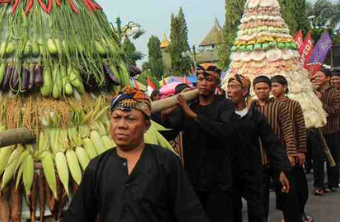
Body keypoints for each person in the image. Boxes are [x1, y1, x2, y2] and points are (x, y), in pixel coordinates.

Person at [64, 87, 208, 222]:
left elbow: (190, 212)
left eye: (130, 119)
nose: (121, 125)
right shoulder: (97, 166)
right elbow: (77, 215)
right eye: (116, 117)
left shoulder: (166, 161)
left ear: (146, 125)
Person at [161, 64, 234, 222]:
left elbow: (223, 131)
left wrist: (193, 115)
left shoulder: (225, 105)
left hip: (218, 179)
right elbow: (170, 133)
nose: (204, 83)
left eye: (209, 80)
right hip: (194, 178)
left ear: (216, 84)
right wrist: (165, 115)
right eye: (200, 79)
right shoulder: (189, 106)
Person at [227, 74, 290, 222]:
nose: (229, 91)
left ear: (244, 91)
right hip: (228, 172)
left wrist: (282, 169)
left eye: (233, 87)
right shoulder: (222, 114)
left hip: (253, 171)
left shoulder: (255, 116)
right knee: (231, 211)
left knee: (257, 210)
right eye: (228, 87)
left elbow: (272, 143)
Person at [251, 76, 300, 222]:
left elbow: (288, 131)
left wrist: (291, 153)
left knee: (286, 192)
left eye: (265, 88)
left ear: (270, 89)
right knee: (260, 197)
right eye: (258, 88)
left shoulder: (279, 105)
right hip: (258, 158)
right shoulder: (251, 107)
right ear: (254, 89)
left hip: (278, 157)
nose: (262, 91)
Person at [270, 75, 312, 222]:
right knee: (282, 186)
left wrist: (300, 150)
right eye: (272, 86)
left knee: (299, 185)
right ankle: (287, 215)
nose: (273, 89)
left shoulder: (293, 104)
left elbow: (300, 128)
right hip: (277, 152)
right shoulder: (268, 105)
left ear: (285, 87)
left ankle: (300, 211)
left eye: (276, 85)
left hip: (293, 151)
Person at [312, 68, 340, 193]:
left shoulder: (336, 93)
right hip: (316, 130)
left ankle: (333, 183)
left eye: (319, 76)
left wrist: (320, 101)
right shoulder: (312, 92)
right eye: (316, 77)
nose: (317, 79)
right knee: (317, 160)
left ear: (328, 78)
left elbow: (335, 111)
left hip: (331, 130)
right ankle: (318, 186)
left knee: (333, 158)